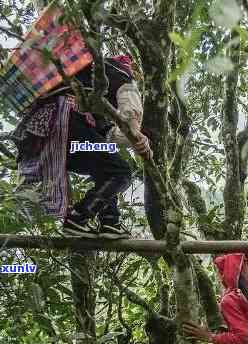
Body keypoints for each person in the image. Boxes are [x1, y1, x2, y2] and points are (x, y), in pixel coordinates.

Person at [12, 54, 151, 239]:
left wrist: (136, 138)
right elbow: (131, 110)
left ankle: (110, 220)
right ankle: (79, 217)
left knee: (106, 166)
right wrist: (137, 136)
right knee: (121, 172)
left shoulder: (78, 77)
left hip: (44, 134)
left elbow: (108, 135)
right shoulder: (118, 70)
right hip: (65, 123)